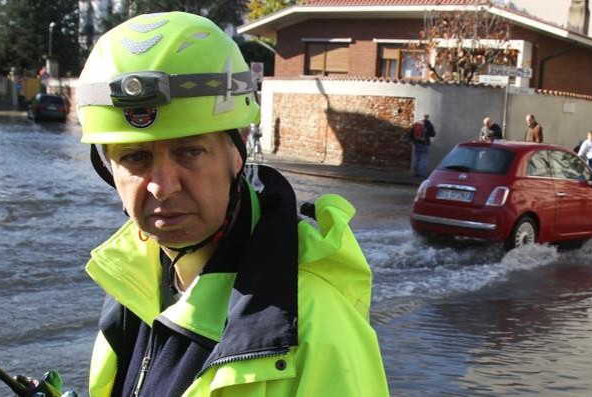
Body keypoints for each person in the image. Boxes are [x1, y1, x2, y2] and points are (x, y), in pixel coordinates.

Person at [72, 12, 389, 396]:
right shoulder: (133, 283)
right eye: (134, 158)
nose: (162, 187)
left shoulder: (314, 328)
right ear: (108, 167)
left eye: (190, 152)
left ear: (237, 149)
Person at [410, 113, 436, 177]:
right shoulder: (429, 124)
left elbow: (411, 133)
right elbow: (433, 134)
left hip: (417, 143)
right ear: (427, 117)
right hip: (425, 143)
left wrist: (413, 141)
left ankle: (416, 172)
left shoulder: (416, 123)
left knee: (417, 158)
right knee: (424, 159)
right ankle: (423, 173)